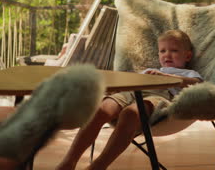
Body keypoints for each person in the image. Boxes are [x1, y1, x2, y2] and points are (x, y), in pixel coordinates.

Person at [56, 30, 203, 170]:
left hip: (159, 97)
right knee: (101, 109)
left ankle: (99, 165)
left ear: (188, 56)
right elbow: (130, 82)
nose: (167, 55)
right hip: (132, 92)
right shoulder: (150, 70)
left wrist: (172, 78)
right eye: (162, 51)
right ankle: (69, 161)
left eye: (174, 51)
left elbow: (197, 83)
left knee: (130, 114)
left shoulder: (188, 73)